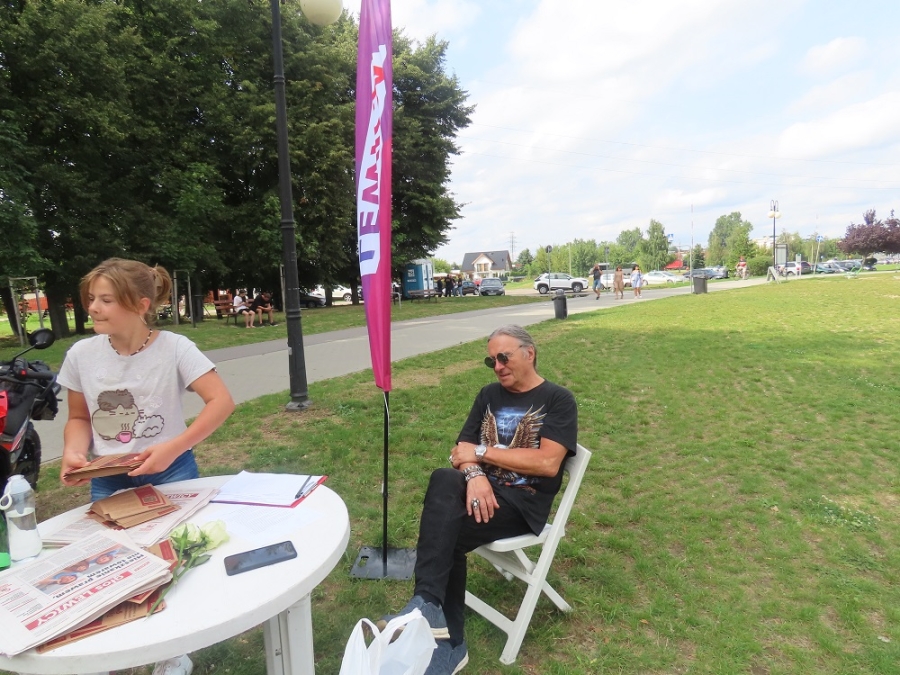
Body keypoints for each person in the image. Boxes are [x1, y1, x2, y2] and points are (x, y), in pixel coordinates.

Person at [57, 258, 235, 675]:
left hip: (171, 472)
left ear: (139, 305)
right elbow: (79, 418)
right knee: (112, 564)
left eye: (105, 300)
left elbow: (221, 402)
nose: (93, 307)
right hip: (107, 478)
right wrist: (73, 451)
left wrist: (173, 448)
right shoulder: (81, 354)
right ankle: (114, 648)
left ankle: (173, 655)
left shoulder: (175, 347)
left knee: (173, 563)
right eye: (91, 298)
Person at [379, 325, 577, 675]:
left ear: (529, 353)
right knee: (444, 478)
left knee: (446, 532)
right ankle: (427, 606)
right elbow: (461, 449)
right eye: (491, 361)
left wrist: (482, 454)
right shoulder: (489, 395)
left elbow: (547, 463)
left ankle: (447, 639)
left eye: (504, 357)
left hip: (520, 504)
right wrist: (475, 476)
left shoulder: (557, 399)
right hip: (480, 493)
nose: (498, 366)